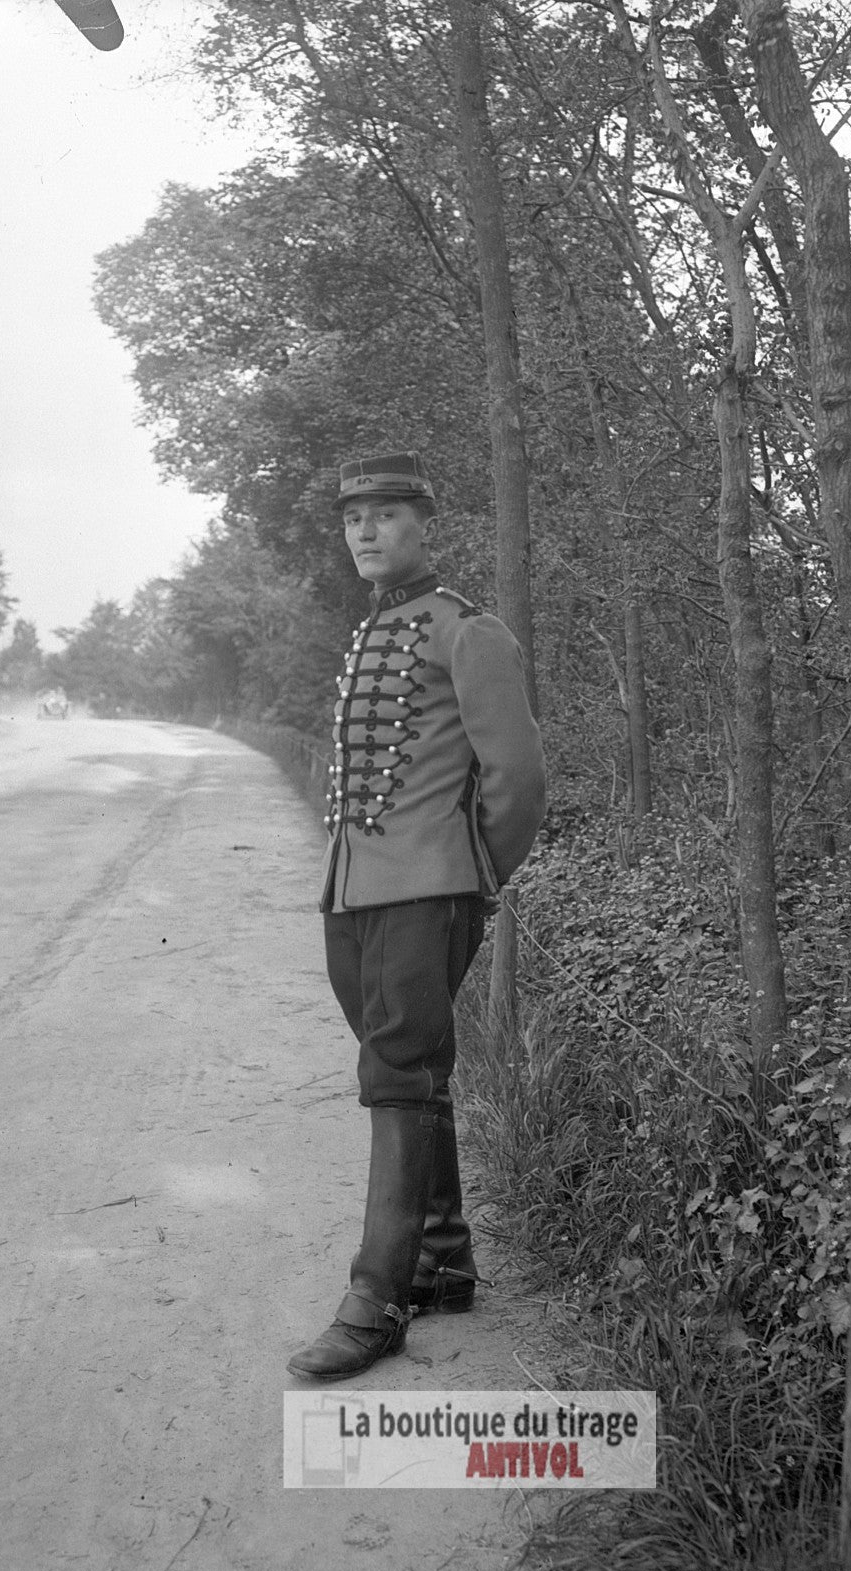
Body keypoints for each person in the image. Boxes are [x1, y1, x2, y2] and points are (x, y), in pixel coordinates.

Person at [287, 451, 546, 1381]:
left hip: (425, 892)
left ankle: (378, 1300)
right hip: (354, 890)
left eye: (386, 514)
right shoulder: (372, 630)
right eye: (352, 516)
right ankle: (442, 1259)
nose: (365, 530)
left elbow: (518, 777)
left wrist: (469, 877)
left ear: (423, 524)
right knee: (406, 1070)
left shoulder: (465, 631)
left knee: (397, 1075)